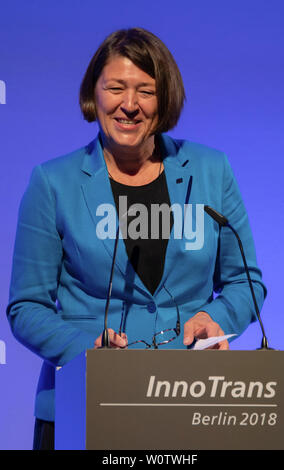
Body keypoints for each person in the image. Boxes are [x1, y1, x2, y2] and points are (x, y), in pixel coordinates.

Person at [6, 27, 266, 450]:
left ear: (165, 99)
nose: (129, 105)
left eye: (145, 91)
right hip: (84, 407)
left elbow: (247, 283)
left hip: (189, 403)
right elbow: (26, 307)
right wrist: (85, 346)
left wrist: (219, 321)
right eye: (115, 88)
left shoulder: (211, 170)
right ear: (95, 94)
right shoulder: (52, 182)